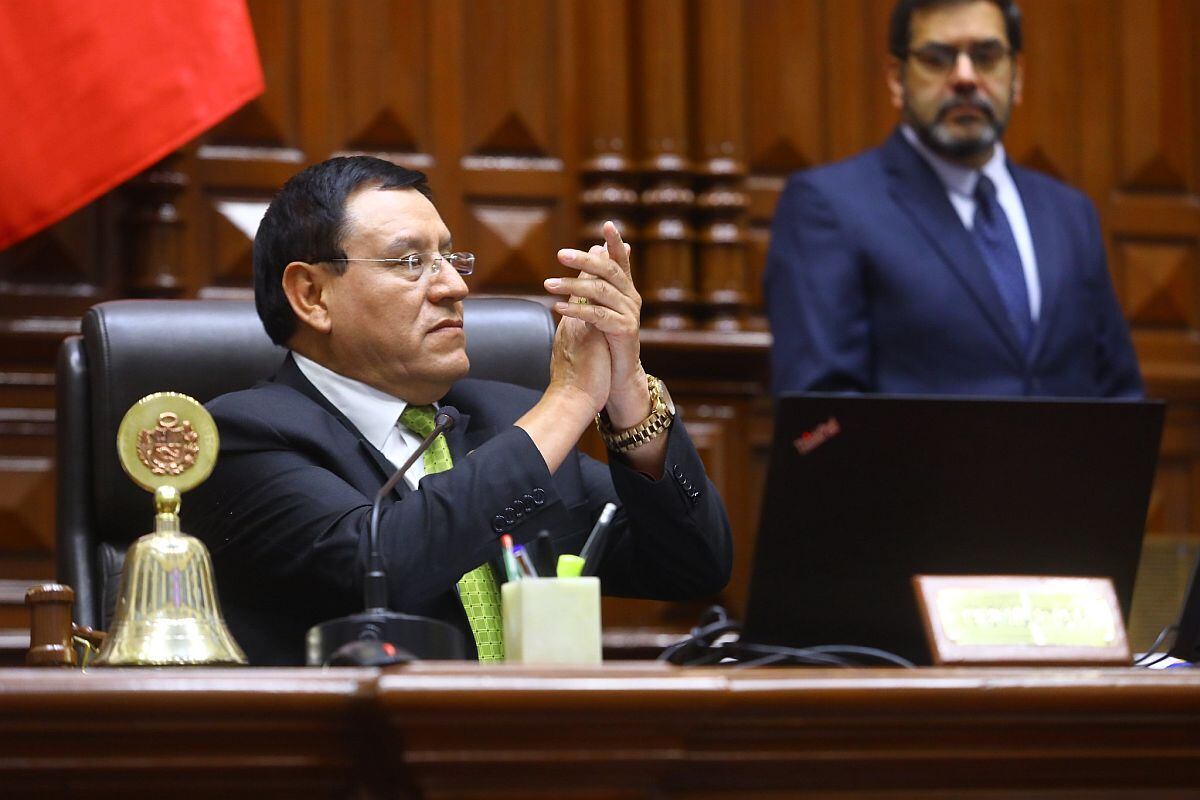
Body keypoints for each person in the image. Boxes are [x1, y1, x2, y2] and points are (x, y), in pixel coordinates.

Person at [187, 156, 732, 665]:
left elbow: (692, 565)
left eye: (449, 257)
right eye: (411, 262)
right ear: (311, 294)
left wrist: (627, 387)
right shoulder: (241, 438)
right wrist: (570, 399)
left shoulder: (506, 418)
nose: (454, 285)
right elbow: (381, 567)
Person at [764, 0, 1143, 398]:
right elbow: (819, 407)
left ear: (1017, 76)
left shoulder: (1070, 214)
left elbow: (1120, 396)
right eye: (937, 59)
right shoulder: (829, 207)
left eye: (987, 57)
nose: (965, 77)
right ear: (896, 79)